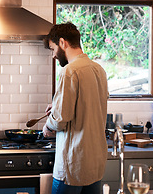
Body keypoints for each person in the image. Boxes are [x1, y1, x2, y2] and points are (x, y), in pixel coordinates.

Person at [42, 22, 108, 194]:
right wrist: (57, 105)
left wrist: (48, 126)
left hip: (73, 165)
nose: (53, 55)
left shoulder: (69, 71)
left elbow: (60, 119)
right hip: (95, 164)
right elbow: (87, 105)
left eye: (52, 48)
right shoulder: (99, 69)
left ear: (62, 43)